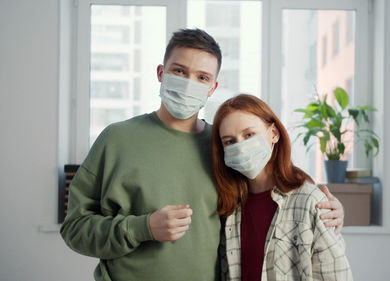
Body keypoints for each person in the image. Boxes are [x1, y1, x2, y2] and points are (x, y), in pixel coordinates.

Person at [60, 28, 345, 281]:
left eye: (202, 77)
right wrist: (141, 227)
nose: (188, 82)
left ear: (212, 88)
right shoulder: (117, 139)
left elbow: (267, 198)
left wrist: (325, 211)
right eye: (179, 71)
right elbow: (74, 228)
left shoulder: (226, 147)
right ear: (161, 73)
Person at [212, 94, 353, 281]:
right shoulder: (228, 205)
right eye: (230, 141)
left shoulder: (311, 202)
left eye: (249, 135)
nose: (241, 147)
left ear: (274, 134)